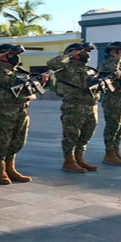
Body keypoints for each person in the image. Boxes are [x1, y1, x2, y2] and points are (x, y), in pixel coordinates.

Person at [0, 44, 47, 185]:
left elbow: (28, 91)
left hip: (22, 111)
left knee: (18, 142)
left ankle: (10, 168)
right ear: (3, 56)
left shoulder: (20, 72)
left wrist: (41, 83)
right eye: (13, 55)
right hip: (3, 111)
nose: (16, 58)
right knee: (2, 142)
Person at [47, 43, 101, 173]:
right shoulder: (65, 69)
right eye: (83, 52)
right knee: (71, 134)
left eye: (87, 52)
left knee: (86, 135)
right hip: (74, 106)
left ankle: (79, 159)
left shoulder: (90, 70)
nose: (87, 55)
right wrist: (69, 54)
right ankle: (69, 161)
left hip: (91, 106)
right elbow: (52, 63)